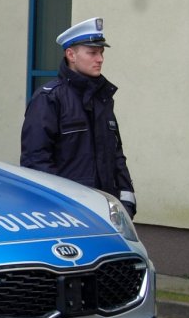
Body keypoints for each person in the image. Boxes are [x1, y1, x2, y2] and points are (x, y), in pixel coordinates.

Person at [21, 17, 136, 218]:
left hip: (106, 211)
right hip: (66, 213)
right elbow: (36, 161)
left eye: (101, 53)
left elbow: (116, 154)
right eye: (92, 53)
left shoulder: (102, 98)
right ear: (71, 55)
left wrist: (126, 202)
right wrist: (62, 207)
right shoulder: (49, 98)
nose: (100, 59)